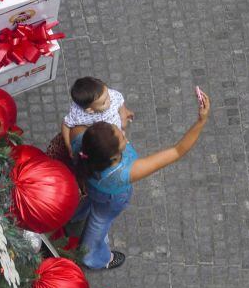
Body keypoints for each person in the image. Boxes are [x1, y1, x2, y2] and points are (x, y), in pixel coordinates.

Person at [70, 91, 210, 269]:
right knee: (100, 219)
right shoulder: (124, 172)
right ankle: (93, 257)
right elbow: (177, 151)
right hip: (111, 197)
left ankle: (73, 217)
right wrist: (201, 121)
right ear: (112, 156)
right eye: (122, 138)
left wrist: (122, 115)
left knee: (88, 201)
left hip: (90, 184)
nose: (124, 134)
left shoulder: (79, 137)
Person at [60, 77, 135, 159]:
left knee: (121, 138)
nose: (110, 100)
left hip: (117, 128)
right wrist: (69, 146)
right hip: (103, 138)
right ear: (90, 110)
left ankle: (121, 139)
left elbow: (120, 102)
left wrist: (124, 117)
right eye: (104, 102)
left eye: (108, 95)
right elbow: (66, 125)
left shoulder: (112, 95)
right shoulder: (78, 114)